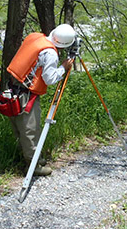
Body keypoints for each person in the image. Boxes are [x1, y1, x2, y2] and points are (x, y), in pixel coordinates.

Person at [6, 24, 76, 176]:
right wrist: (64, 67)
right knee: (29, 131)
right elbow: (49, 78)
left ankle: (32, 156)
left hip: (12, 88)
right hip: (25, 94)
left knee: (21, 129)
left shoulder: (36, 37)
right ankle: (33, 166)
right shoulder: (50, 53)